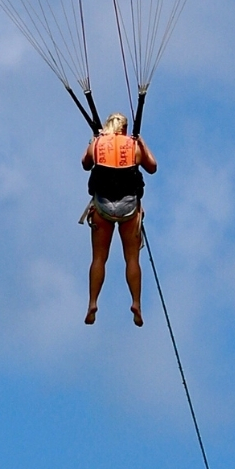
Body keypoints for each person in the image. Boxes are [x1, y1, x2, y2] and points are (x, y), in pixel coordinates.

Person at [82, 112, 157, 326]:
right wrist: (141, 142)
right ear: (125, 128)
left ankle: (93, 302)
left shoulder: (97, 144)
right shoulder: (133, 146)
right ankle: (136, 303)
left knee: (99, 258)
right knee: (132, 259)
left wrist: (95, 141)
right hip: (129, 209)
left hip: (102, 207)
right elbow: (152, 167)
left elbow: (86, 164)